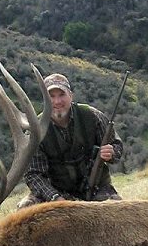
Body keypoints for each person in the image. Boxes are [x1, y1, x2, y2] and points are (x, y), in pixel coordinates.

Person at [17, 72, 123, 207]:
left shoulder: (93, 116)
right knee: (25, 208)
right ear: (45, 99)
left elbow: (117, 145)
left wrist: (112, 152)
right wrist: (55, 197)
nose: (57, 101)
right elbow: (33, 175)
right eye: (51, 96)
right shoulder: (35, 131)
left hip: (97, 189)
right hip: (56, 192)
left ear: (71, 96)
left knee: (118, 212)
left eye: (62, 95)